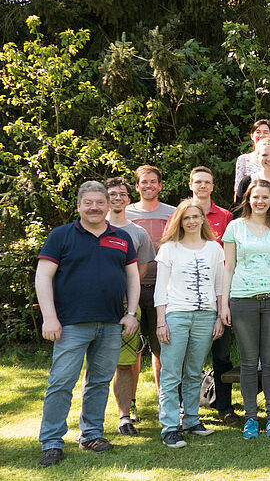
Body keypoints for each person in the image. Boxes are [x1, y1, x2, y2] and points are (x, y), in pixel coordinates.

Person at [37, 181, 140, 467]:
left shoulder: (121, 238)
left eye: (100, 202)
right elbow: (43, 276)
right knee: (61, 382)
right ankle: (52, 441)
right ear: (79, 205)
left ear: (108, 206)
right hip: (70, 324)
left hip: (110, 324)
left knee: (99, 382)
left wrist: (130, 313)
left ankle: (91, 434)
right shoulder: (61, 236)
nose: (94, 207)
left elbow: (132, 278)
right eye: (88, 202)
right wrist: (49, 317)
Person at [221, 179, 270, 439]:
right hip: (243, 299)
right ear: (248, 200)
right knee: (250, 362)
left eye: (265, 197)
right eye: (256, 197)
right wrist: (224, 304)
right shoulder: (235, 228)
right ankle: (251, 418)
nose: (260, 201)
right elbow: (228, 267)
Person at [153, 199, 225, 448]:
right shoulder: (169, 248)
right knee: (171, 373)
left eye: (196, 217)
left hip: (206, 316)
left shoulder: (214, 248)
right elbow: (160, 288)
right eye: (187, 218)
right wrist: (161, 321)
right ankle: (170, 427)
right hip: (177, 315)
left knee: (194, 371)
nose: (192, 221)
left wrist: (219, 316)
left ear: (203, 219)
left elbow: (218, 285)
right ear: (179, 221)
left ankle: (192, 420)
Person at [103, 177, 155, 437]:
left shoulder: (138, 233)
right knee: (95, 364)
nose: (118, 197)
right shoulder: (89, 228)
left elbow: (141, 271)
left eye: (122, 193)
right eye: (112, 193)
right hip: (94, 309)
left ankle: (124, 416)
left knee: (125, 364)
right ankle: (90, 419)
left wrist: (130, 306)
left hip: (126, 308)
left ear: (128, 198)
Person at [187, 167, 238, 425]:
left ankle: (224, 407)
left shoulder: (225, 216)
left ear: (213, 186)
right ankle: (186, 408)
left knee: (221, 356)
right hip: (188, 294)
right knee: (188, 356)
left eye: (207, 182)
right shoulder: (183, 214)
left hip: (219, 292)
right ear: (190, 185)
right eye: (198, 182)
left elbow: (230, 257)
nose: (202, 186)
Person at [125, 165, 176, 403]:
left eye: (153, 181)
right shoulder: (123, 214)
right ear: (136, 186)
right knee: (131, 350)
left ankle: (163, 400)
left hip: (163, 290)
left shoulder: (172, 213)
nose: (148, 186)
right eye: (144, 182)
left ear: (160, 185)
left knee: (161, 349)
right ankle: (130, 403)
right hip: (130, 291)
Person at [234, 119, 270, 195]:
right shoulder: (243, 159)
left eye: (265, 132)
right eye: (258, 132)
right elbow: (238, 189)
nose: (261, 135)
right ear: (252, 136)